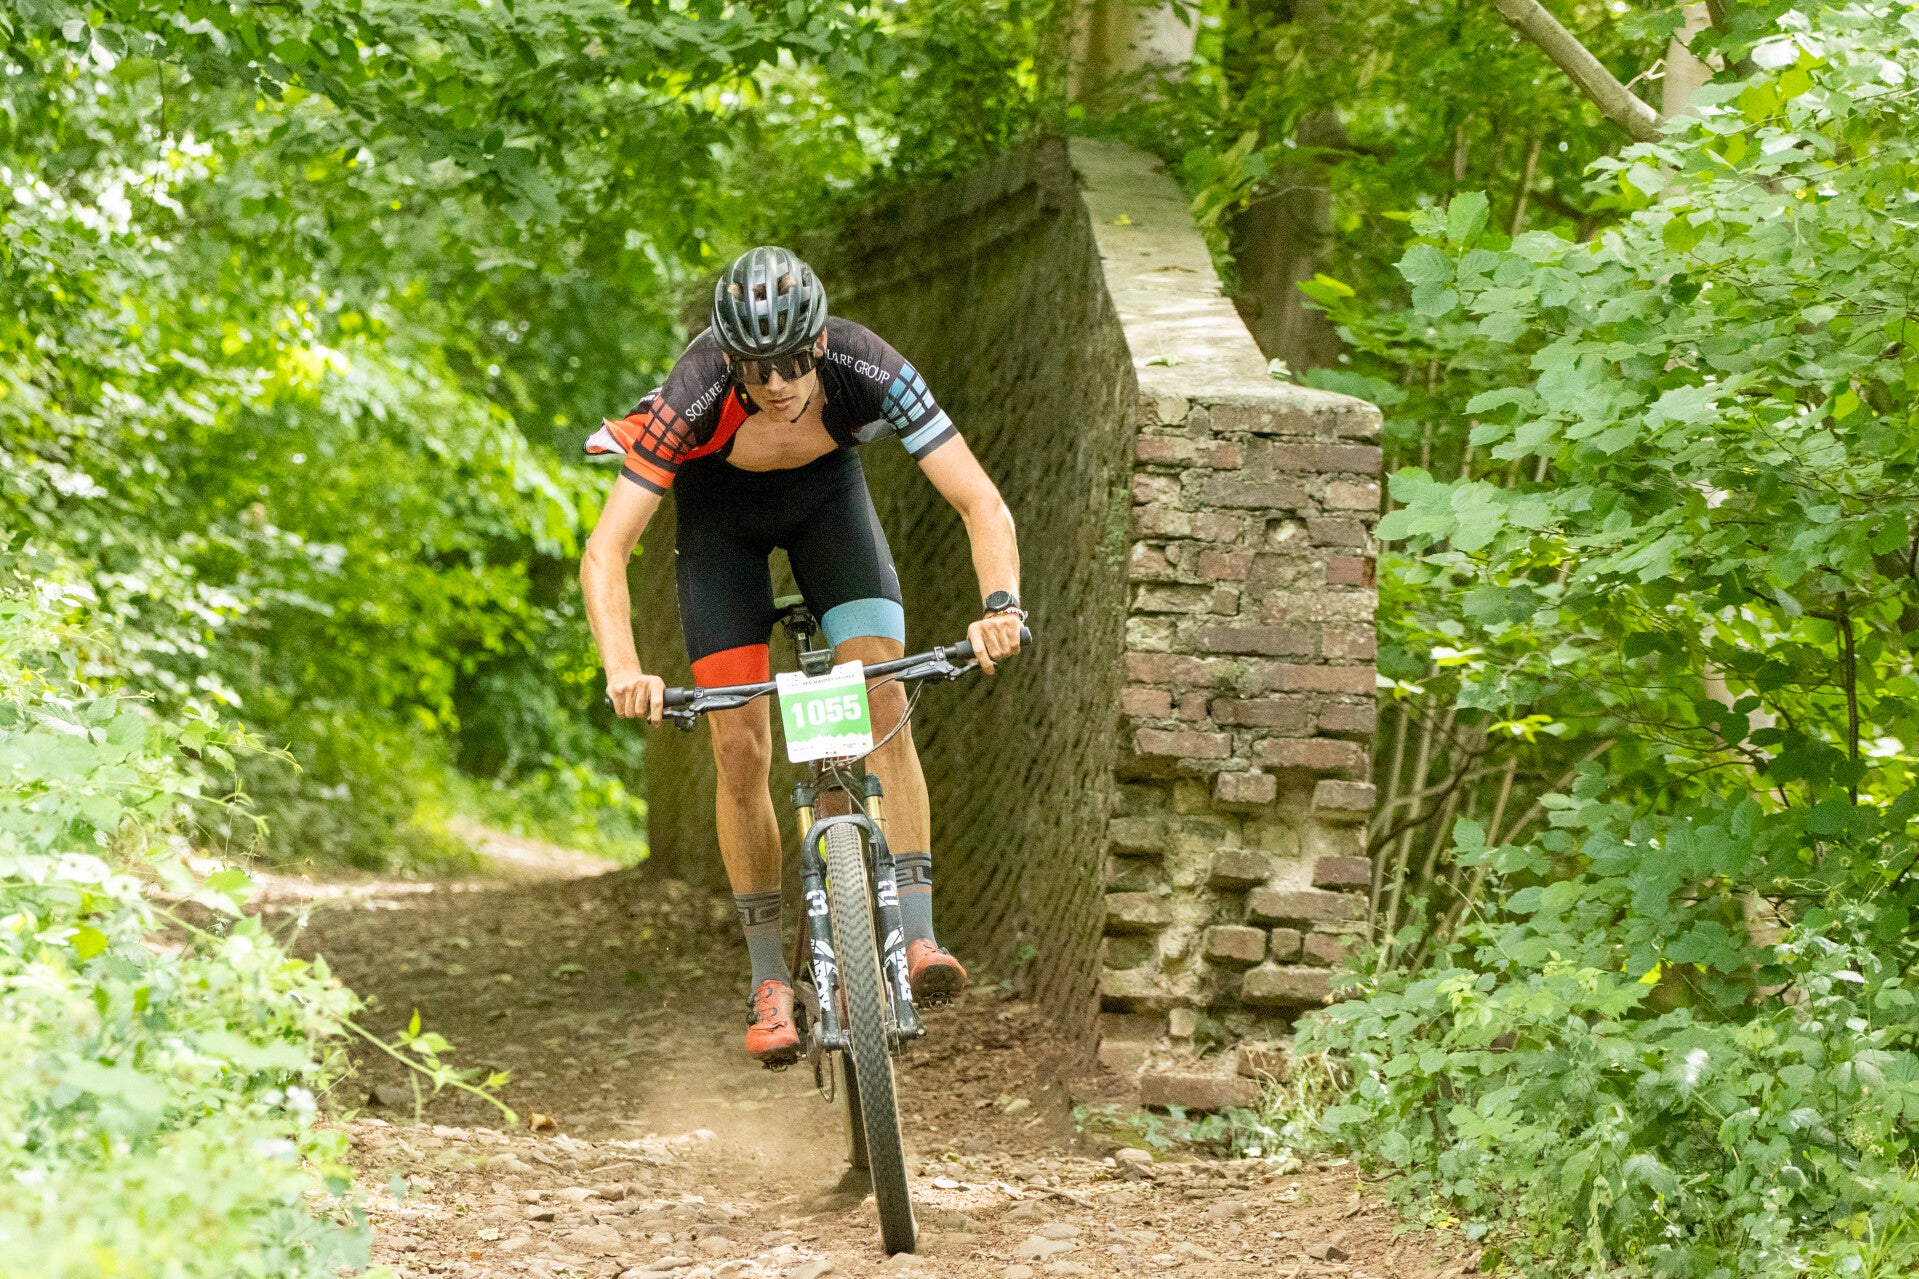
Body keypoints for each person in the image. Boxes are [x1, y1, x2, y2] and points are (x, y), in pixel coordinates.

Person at [579, 246, 1024, 1065]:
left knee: (882, 697)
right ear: (731, 359)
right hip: (720, 529)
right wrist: (623, 668)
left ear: (818, 343)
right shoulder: (693, 390)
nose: (777, 382)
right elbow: (605, 551)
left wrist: (1000, 606)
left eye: (791, 361)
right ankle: (766, 980)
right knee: (739, 746)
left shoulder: (866, 363)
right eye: (757, 368)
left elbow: (979, 500)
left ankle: (917, 934)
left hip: (829, 506)